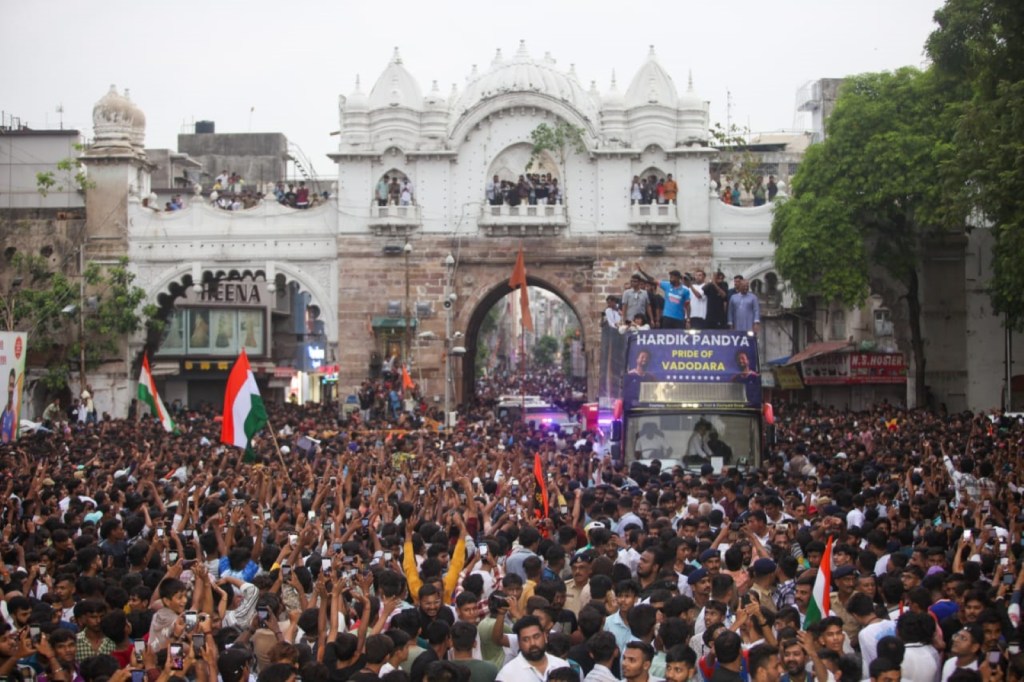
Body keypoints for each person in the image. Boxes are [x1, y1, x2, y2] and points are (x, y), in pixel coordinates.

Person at [495, 615, 571, 682]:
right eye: (526, 639)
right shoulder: (507, 676)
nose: (532, 643)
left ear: (545, 636)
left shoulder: (561, 665)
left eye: (536, 637)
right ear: (519, 643)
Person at [1, 367, 16, 442]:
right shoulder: (4, 411)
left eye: (13, 385)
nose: (11, 389)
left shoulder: (13, 411)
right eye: (10, 385)